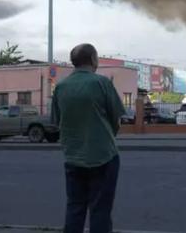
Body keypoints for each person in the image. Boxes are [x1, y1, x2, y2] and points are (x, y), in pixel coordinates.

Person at [51, 43, 126, 233]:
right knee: (100, 210)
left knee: (74, 208)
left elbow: (57, 122)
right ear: (93, 60)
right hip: (103, 156)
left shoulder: (60, 87)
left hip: (73, 157)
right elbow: (116, 120)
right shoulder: (101, 83)